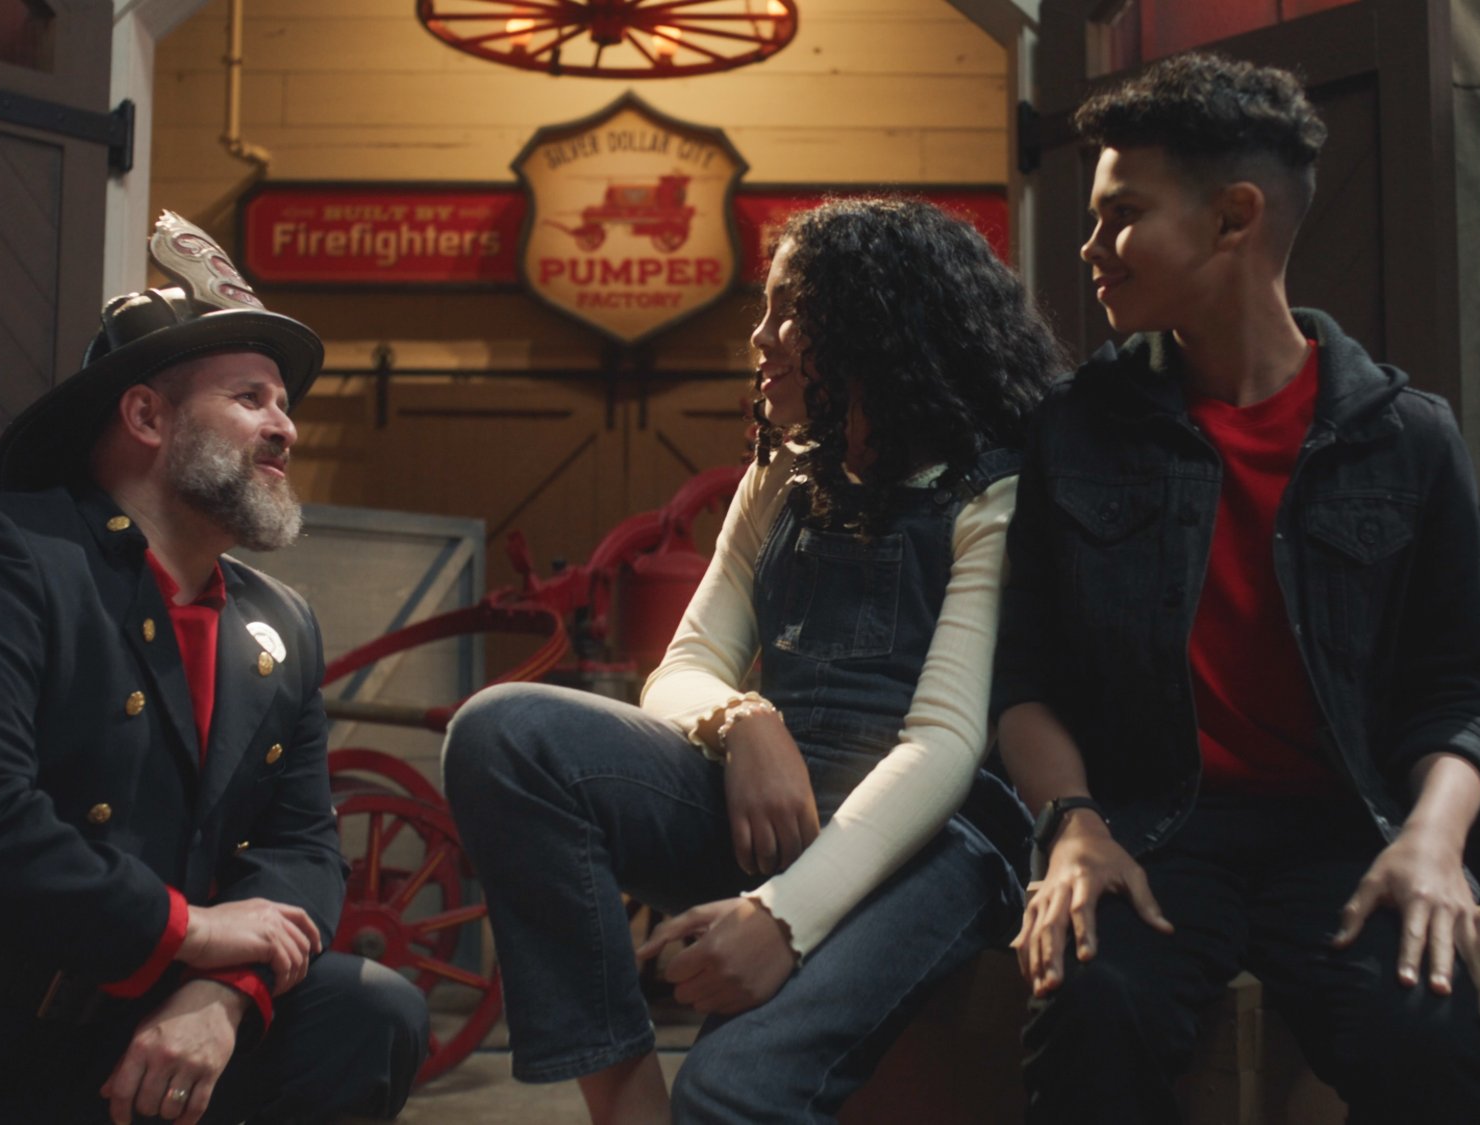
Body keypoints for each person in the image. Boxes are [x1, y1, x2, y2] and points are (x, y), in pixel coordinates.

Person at [0, 213, 427, 1124]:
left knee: (366, 1011)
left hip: (119, 1019)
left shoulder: (279, 620)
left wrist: (224, 995)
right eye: (252, 398)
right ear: (146, 415)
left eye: (285, 405)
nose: (284, 428)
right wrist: (188, 931)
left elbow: (302, 849)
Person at [440, 198, 1063, 1124]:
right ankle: (627, 1106)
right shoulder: (784, 473)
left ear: (873, 327)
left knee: (732, 1088)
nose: (761, 340)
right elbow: (684, 667)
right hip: (773, 804)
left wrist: (781, 917)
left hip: (938, 837)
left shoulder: (991, 489)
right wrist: (745, 720)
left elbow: (942, 742)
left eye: (790, 316)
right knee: (502, 733)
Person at [996, 54, 1480, 1123]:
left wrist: (1430, 841)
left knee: (1422, 1030)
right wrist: (1074, 827)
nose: (1089, 249)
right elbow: (1025, 676)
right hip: (1148, 828)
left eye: (1119, 215)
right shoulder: (1072, 426)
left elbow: (1458, 689)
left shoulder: (1407, 437)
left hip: (1342, 830)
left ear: (1232, 219)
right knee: (1089, 1009)